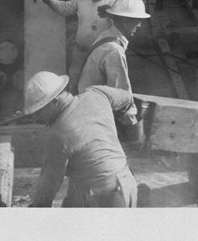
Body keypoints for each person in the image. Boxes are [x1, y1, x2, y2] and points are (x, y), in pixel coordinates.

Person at [23, 71, 138, 208]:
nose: (37, 117)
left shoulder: (58, 134)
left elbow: (48, 185)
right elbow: (127, 98)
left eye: (39, 110)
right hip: (128, 183)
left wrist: (35, 211)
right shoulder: (97, 94)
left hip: (104, 198)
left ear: (54, 102)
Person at [30, 0, 117, 91]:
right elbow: (65, 9)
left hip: (100, 57)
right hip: (79, 53)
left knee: (95, 91)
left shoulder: (114, 3)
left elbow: (122, 32)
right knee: (73, 88)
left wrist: (114, 14)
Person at [77, 0, 150, 136]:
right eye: (137, 20)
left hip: (86, 102)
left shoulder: (106, 35)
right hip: (94, 114)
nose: (140, 25)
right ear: (124, 21)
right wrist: (134, 127)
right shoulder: (114, 50)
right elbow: (122, 95)